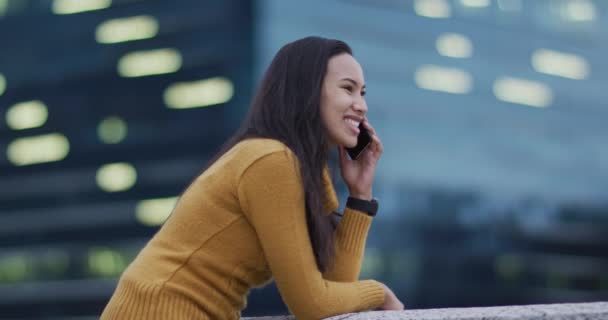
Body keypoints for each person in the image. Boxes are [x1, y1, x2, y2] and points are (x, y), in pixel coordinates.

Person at [100, 36, 404, 320]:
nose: (361, 105)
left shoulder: (306, 172)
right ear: (307, 90)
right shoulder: (271, 160)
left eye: (362, 93)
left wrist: (360, 196)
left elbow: (333, 289)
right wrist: (379, 292)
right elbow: (311, 303)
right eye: (347, 89)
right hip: (158, 310)